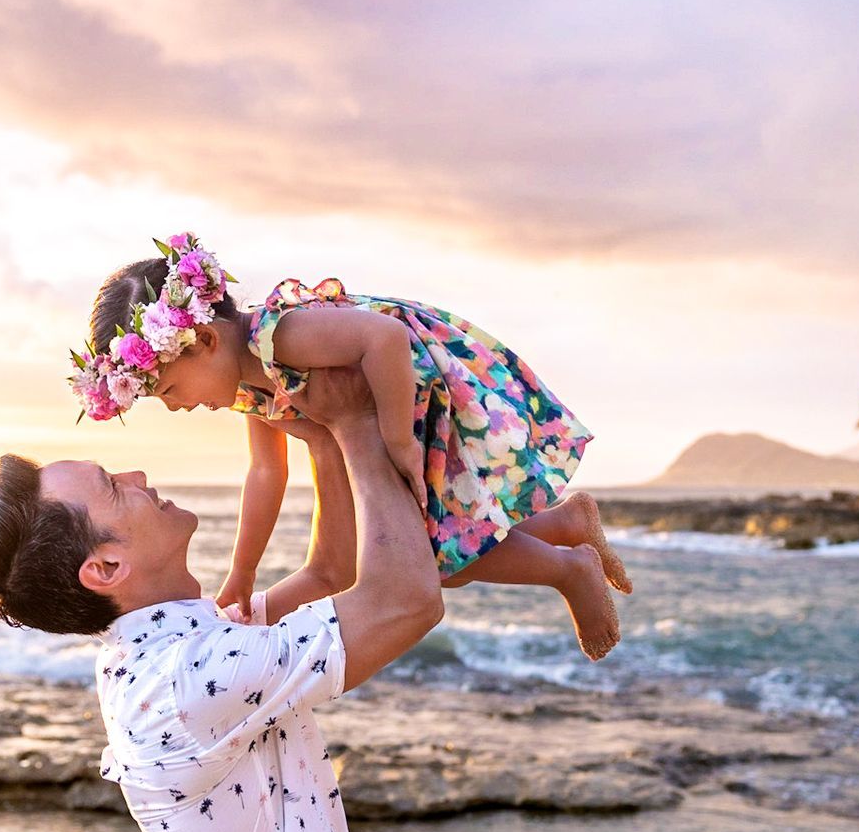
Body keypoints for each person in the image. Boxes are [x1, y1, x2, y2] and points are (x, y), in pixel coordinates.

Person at [0, 364, 442, 832]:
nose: (137, 469)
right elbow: (406, 598)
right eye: (113, 484)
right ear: (107, 566)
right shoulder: (189, 677)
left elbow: (329, 571)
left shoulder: (174, 652)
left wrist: (317, 438)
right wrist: (355, 430)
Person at [68, 234, 630, 659]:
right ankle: (563, 526)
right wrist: (241, 575)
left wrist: (396, 439)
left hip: (414, 396)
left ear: (206, 341)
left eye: (168, 389)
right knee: (437, 554)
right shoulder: (251, 388)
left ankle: (568, 568)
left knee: (435, 555)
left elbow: (383, 339)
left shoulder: (278, 336)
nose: (173, 406)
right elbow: (267, 474)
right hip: (390, 412)